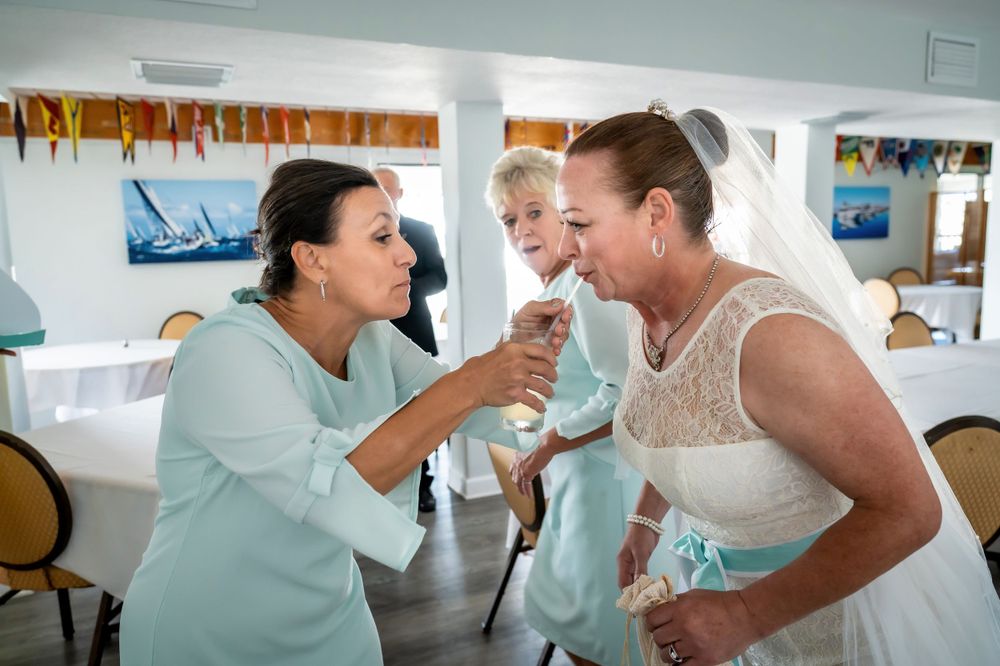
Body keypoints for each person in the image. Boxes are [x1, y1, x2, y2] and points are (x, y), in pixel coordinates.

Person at [555, 103, 1000, 665]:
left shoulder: (772, 335)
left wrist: (745, 616)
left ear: (657, 213)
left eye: (578, 223)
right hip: (727, 608)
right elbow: (687, 424)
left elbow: (910, 511)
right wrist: (644, 523)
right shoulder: (642, 310)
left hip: (833, 629)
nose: (565, 248)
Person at [120, 159, 572, 665]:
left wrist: (522, 354)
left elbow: (502, 420)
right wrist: (471, 381)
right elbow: (329, 484)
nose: (407, 254)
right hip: (209, 629)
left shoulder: (373, 339)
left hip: (330, 620)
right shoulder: (223, 349)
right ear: (312, 259)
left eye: (399, 233)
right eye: (382, 238)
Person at [486, 147, 671, 666]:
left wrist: (546, 443)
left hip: (605, 484)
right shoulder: (544, 295)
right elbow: (520, 398)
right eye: (508, 220)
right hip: (569, 480)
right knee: (578, 626)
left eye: (535, 212)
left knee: (605, 637)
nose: (521, 230)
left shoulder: (589, 286)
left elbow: (626, 393)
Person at [373, 166, 447, 512]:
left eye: (388, 189)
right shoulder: (360, 234)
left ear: (400, 193)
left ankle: (423, 485)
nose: (382, 193)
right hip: (371, 334)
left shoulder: (421, 230)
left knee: (420, 412)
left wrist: (402, 287)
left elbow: (439, 277)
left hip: (415, 329)